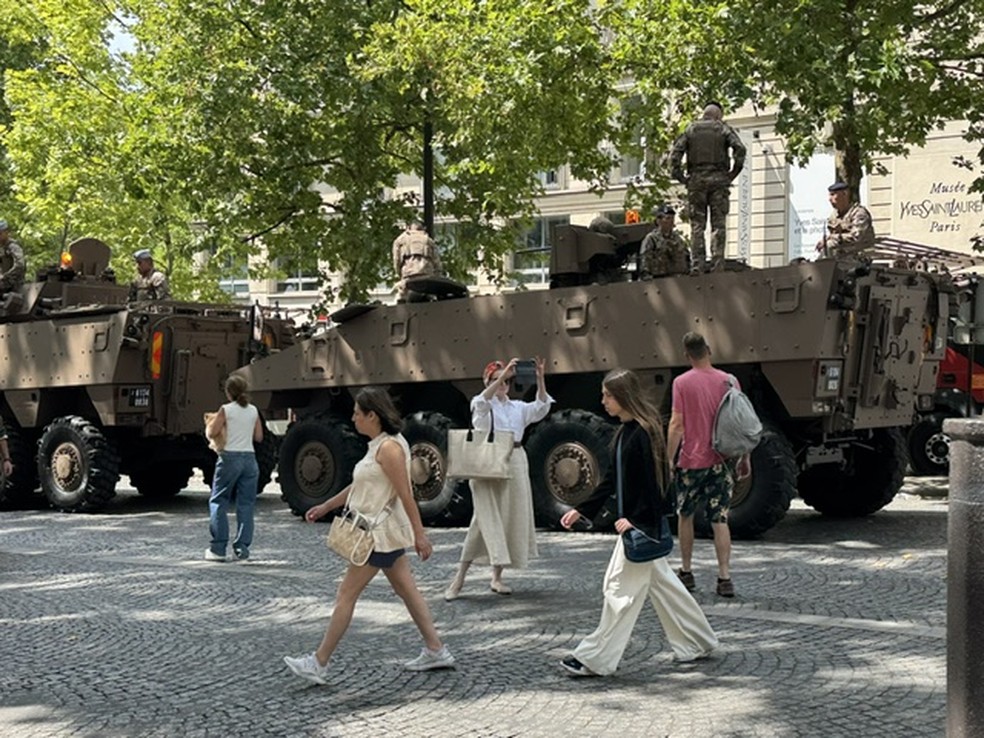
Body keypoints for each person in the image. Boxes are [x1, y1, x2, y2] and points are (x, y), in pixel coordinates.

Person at [284, 387, 454, 684]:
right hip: (382, 534)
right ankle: (436, 650)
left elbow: (405, 494)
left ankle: (319, 662)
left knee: (346, 594)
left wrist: (420, 535)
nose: (353, 418)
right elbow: (361, 486)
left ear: (372, 415)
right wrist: (326, 505)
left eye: (357, 414)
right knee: (407, 590)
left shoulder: (388, 449)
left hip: (376, 535)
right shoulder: (380, 445)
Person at [558, 369, 718, 676]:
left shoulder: (643, 433)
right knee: (666, 588)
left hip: (639, 527)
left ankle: (595, 658)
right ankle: (699, 641)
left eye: (608, 395)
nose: (602, 401)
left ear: (623, 396)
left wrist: (636, 523)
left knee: (618, 590)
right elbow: (611, 482)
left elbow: (656, 485)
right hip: (636, 525)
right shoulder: (625, 432)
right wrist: (582, 510)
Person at [444, 357, 553, 600]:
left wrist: (540, 378)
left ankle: (497, 576)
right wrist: (500, 376)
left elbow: (542, 406)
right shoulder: (482, 404)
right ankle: (458, 579)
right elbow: (482, 401)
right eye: (497, 379)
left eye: (506, 380)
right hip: (488, 464)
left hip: (514, 460)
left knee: (508, 517)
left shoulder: (517, 407)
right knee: (482, 521)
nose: (503, 384)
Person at [667, 332, 749, 599]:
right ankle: (724, 577)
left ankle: (687, 571)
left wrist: (669, 458)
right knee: (720, 518)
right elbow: (741, 421)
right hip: (721, 460)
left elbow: (677, 424)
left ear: (687, 355)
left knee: (685, 515)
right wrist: (745, 456)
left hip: (691, 461)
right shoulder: (729, 381)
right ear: (709, 350)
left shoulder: (681, 383)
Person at [669, 103, 746, 273]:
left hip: (696, 182)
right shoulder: (723, 128)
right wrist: (733, 172)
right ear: (718, 115)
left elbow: (674, 156)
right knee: (718, 225)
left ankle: (697, 264)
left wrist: (682, 178)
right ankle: (718, 265)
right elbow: (740, 148)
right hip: (719, 181)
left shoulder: (690, 130)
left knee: (697, 225)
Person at [204, 375, 263, 562]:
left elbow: (213, 432)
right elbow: (259, 437)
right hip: (250, 459)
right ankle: (242, 549)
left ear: (228, 392)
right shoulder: (253, 410)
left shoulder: (226, 409)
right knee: (246, 504)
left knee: (219, 500)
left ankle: (218, 548)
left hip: (229, 457)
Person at [816, 181, 875, 259]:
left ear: (844, 194)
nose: (830, 199)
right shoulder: (834, 216)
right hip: (840, 257)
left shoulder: (859, 213)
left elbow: (856, 237)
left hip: (859, 258)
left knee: (830, 245)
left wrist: (832, 238)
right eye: (830, 195)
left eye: (833, 194)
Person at [392, 222, 442, 302]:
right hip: (427, 274)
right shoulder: (429, 240)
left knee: (401, 298)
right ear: (423, 228)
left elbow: (397, 260)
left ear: (409, 228)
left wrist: (399, 274)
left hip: (409, 274)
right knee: (429, 298)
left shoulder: (400, 240)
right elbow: (437, 262)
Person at [639, 205, 690, 278]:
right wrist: (645, 273)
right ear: (659, 221)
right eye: (668, 218)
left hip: (679, 277)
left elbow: (686, 255)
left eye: (672, 218)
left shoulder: (677, 239)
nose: (671, 221)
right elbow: (645, 256)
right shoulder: (652, 238)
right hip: (659, 279)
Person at [0, 219, 26, 296]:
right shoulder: (2, 248)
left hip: (14, 285)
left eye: (0, 233)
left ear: (6, 232)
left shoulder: (13, 247)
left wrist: (5, 276)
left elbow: (20, 265)